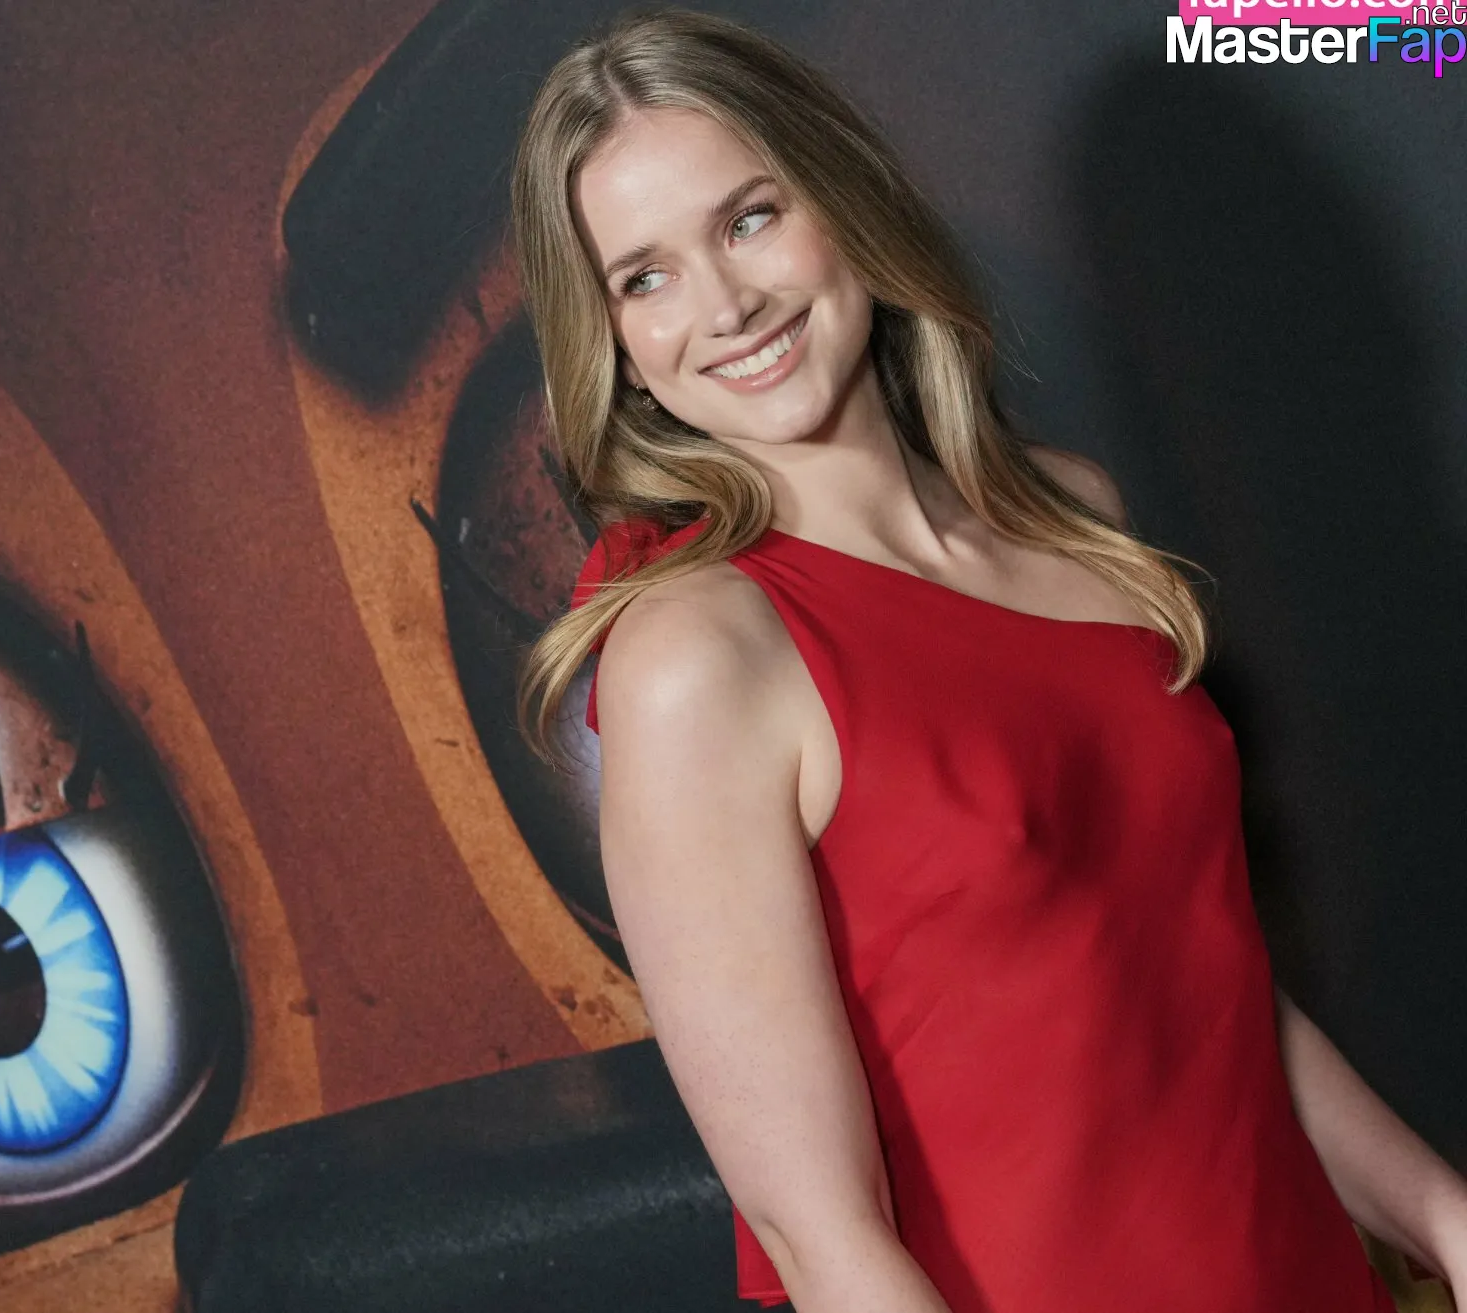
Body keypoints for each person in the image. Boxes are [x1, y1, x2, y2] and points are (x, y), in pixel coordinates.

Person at [509, 9, 1467, 1312]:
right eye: (644, 277)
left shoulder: (1075, 518)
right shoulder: (698, 657)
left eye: (749, 218)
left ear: (843, 198)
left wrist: (1442, 1216)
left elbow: (1204, 991)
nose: (725, 307)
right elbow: (820, 1238)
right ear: (612, 341)